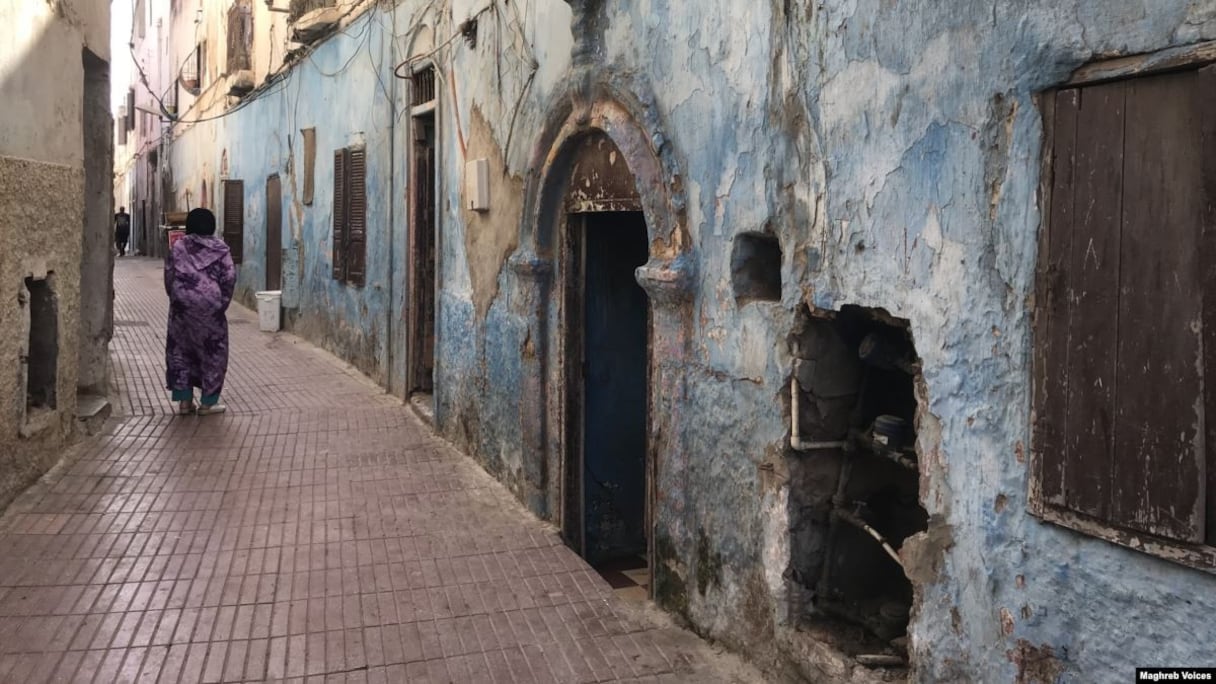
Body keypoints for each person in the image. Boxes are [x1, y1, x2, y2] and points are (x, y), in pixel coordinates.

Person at [164, 208, 235, 415]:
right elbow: (229, 278)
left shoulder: (178, 247)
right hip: (210, 308)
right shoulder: (221, 250)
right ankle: (208, 403)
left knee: (180, 351)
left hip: (182, 307)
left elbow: (169, 275)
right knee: (213, 351)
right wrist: (220, 304)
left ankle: (184, 402)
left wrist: (178, 299)